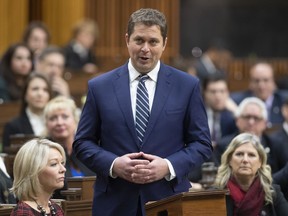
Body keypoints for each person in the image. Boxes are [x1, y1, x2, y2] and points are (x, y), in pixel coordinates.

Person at [73, 8, 212, 216]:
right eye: (139, 40)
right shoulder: (99, 86)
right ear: (127, 40)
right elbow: (82, 143)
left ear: (164, 43)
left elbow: (202, 144)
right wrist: (114, 164)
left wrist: (168, 166)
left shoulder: (187, 86)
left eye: (153, 42)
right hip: (114, 203)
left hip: (168, 200)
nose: (145, 49)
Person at [214, 132, 288, 216]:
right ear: (229, 160)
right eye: (239, 154)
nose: (245, 160)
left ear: (260, 162)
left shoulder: (272, 192)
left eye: (251, 155)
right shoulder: (216, 193)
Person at [216, 97, 284, 174]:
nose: (251, 122)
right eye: (247, 117)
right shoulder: (223, 146)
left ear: (265, 123)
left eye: (256, 118)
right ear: (237, 120)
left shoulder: (276, 145)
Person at [10, 138, 66, 215]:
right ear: (33, 170)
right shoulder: (23, 212)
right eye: (54, 164)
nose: (63, 169)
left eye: (62, 163)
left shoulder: (55, 208)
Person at [44, 96, 94, 177]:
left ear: (75, 119)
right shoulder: (42, 152)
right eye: (53, 118)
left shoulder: (87, 147)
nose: (59, 123)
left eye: (65, 117)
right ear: (46, 123)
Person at [2, 72, 52, 149]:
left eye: (45, 90)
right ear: (25, 94)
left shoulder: (57, 123)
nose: (40, 94)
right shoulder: (12, 126)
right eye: (35, 89)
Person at [231, 61, 288, 128]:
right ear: (250, 83)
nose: (261, 85)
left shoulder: (284, 100)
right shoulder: (238, 101)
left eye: (266, 80)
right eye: (256, 81)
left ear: (273, 82)